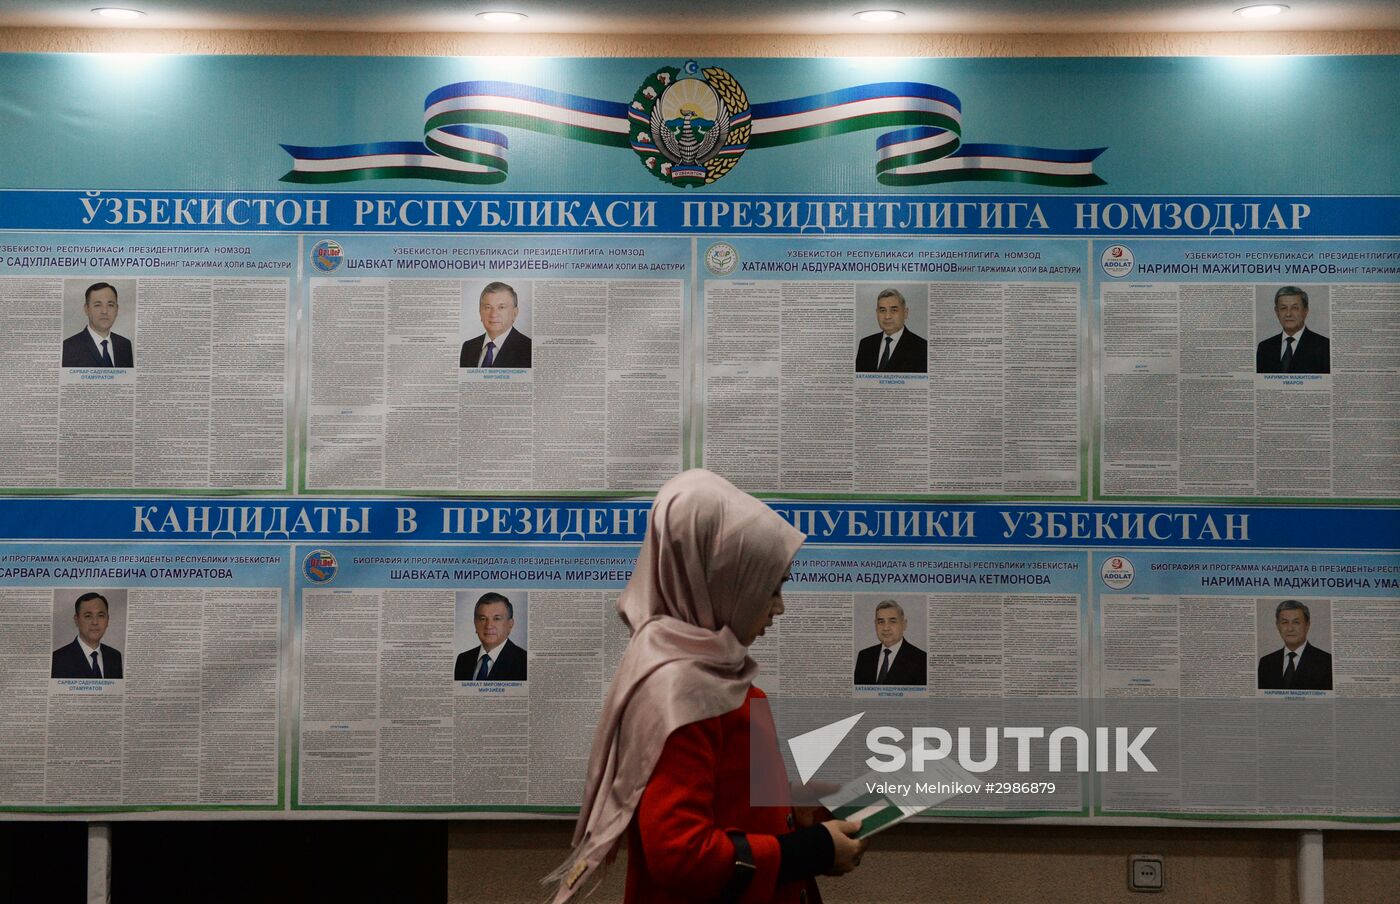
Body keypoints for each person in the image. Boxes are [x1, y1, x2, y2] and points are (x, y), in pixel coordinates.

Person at [546, 469, 867, 904]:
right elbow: (681, 853)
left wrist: (792, 812)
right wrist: (812, 851)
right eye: (769, 587)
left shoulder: (712, 677)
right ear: (723, 580)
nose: (779, 607)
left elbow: (719, 798)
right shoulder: (682, 693)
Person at [1258, 599, 1332, 691]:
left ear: (1307, 625)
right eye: (1285, 622)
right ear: (1277, 626)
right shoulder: (1266, 663)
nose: (1290, 629)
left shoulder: (1327, 662)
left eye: (1296, 622)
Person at [454, 592, 528, 681]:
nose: (489, 625)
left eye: (497, 618)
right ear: (475, 623)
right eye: (483, 619)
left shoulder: (524, 661)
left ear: (510, 624)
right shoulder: (463, 660)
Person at [1256, 286, 1330, 374]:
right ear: (1276, 312)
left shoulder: (1324, 346)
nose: (1288, 314)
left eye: (1295, 308)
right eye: (1283, 308)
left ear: (1305, 311)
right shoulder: (1264, 347)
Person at [853, 600, 927, 685]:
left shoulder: (921, 659)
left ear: (904, 624)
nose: (886, 628)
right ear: (875, 625)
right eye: (881, 622)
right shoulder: (864, 656)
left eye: (892, 621)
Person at [51, 592, 124, 679]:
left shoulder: (115, 657)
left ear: (107, 620)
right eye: (88, 616)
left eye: (101, 616)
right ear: (76, 620)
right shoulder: (58, 659)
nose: (95, 622)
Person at [460, 281, 532, 368]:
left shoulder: (529, 349)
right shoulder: (468, 347)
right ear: (480, 312)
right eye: (488, 307)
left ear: (515, 313)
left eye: (501, 307)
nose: (493, 314)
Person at [61, 282, 134, 368]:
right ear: (86, 309)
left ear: (117, 309)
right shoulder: (68, 348)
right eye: (98, 305)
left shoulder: (125, 345)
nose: (104, 311)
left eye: (110, 305)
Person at [855, 288, 927, 374]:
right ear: (877, 313)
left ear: (905, 313)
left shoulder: (922, 347)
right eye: (882, 310)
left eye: (894, 310)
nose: (887, 316)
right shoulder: (866, 344)